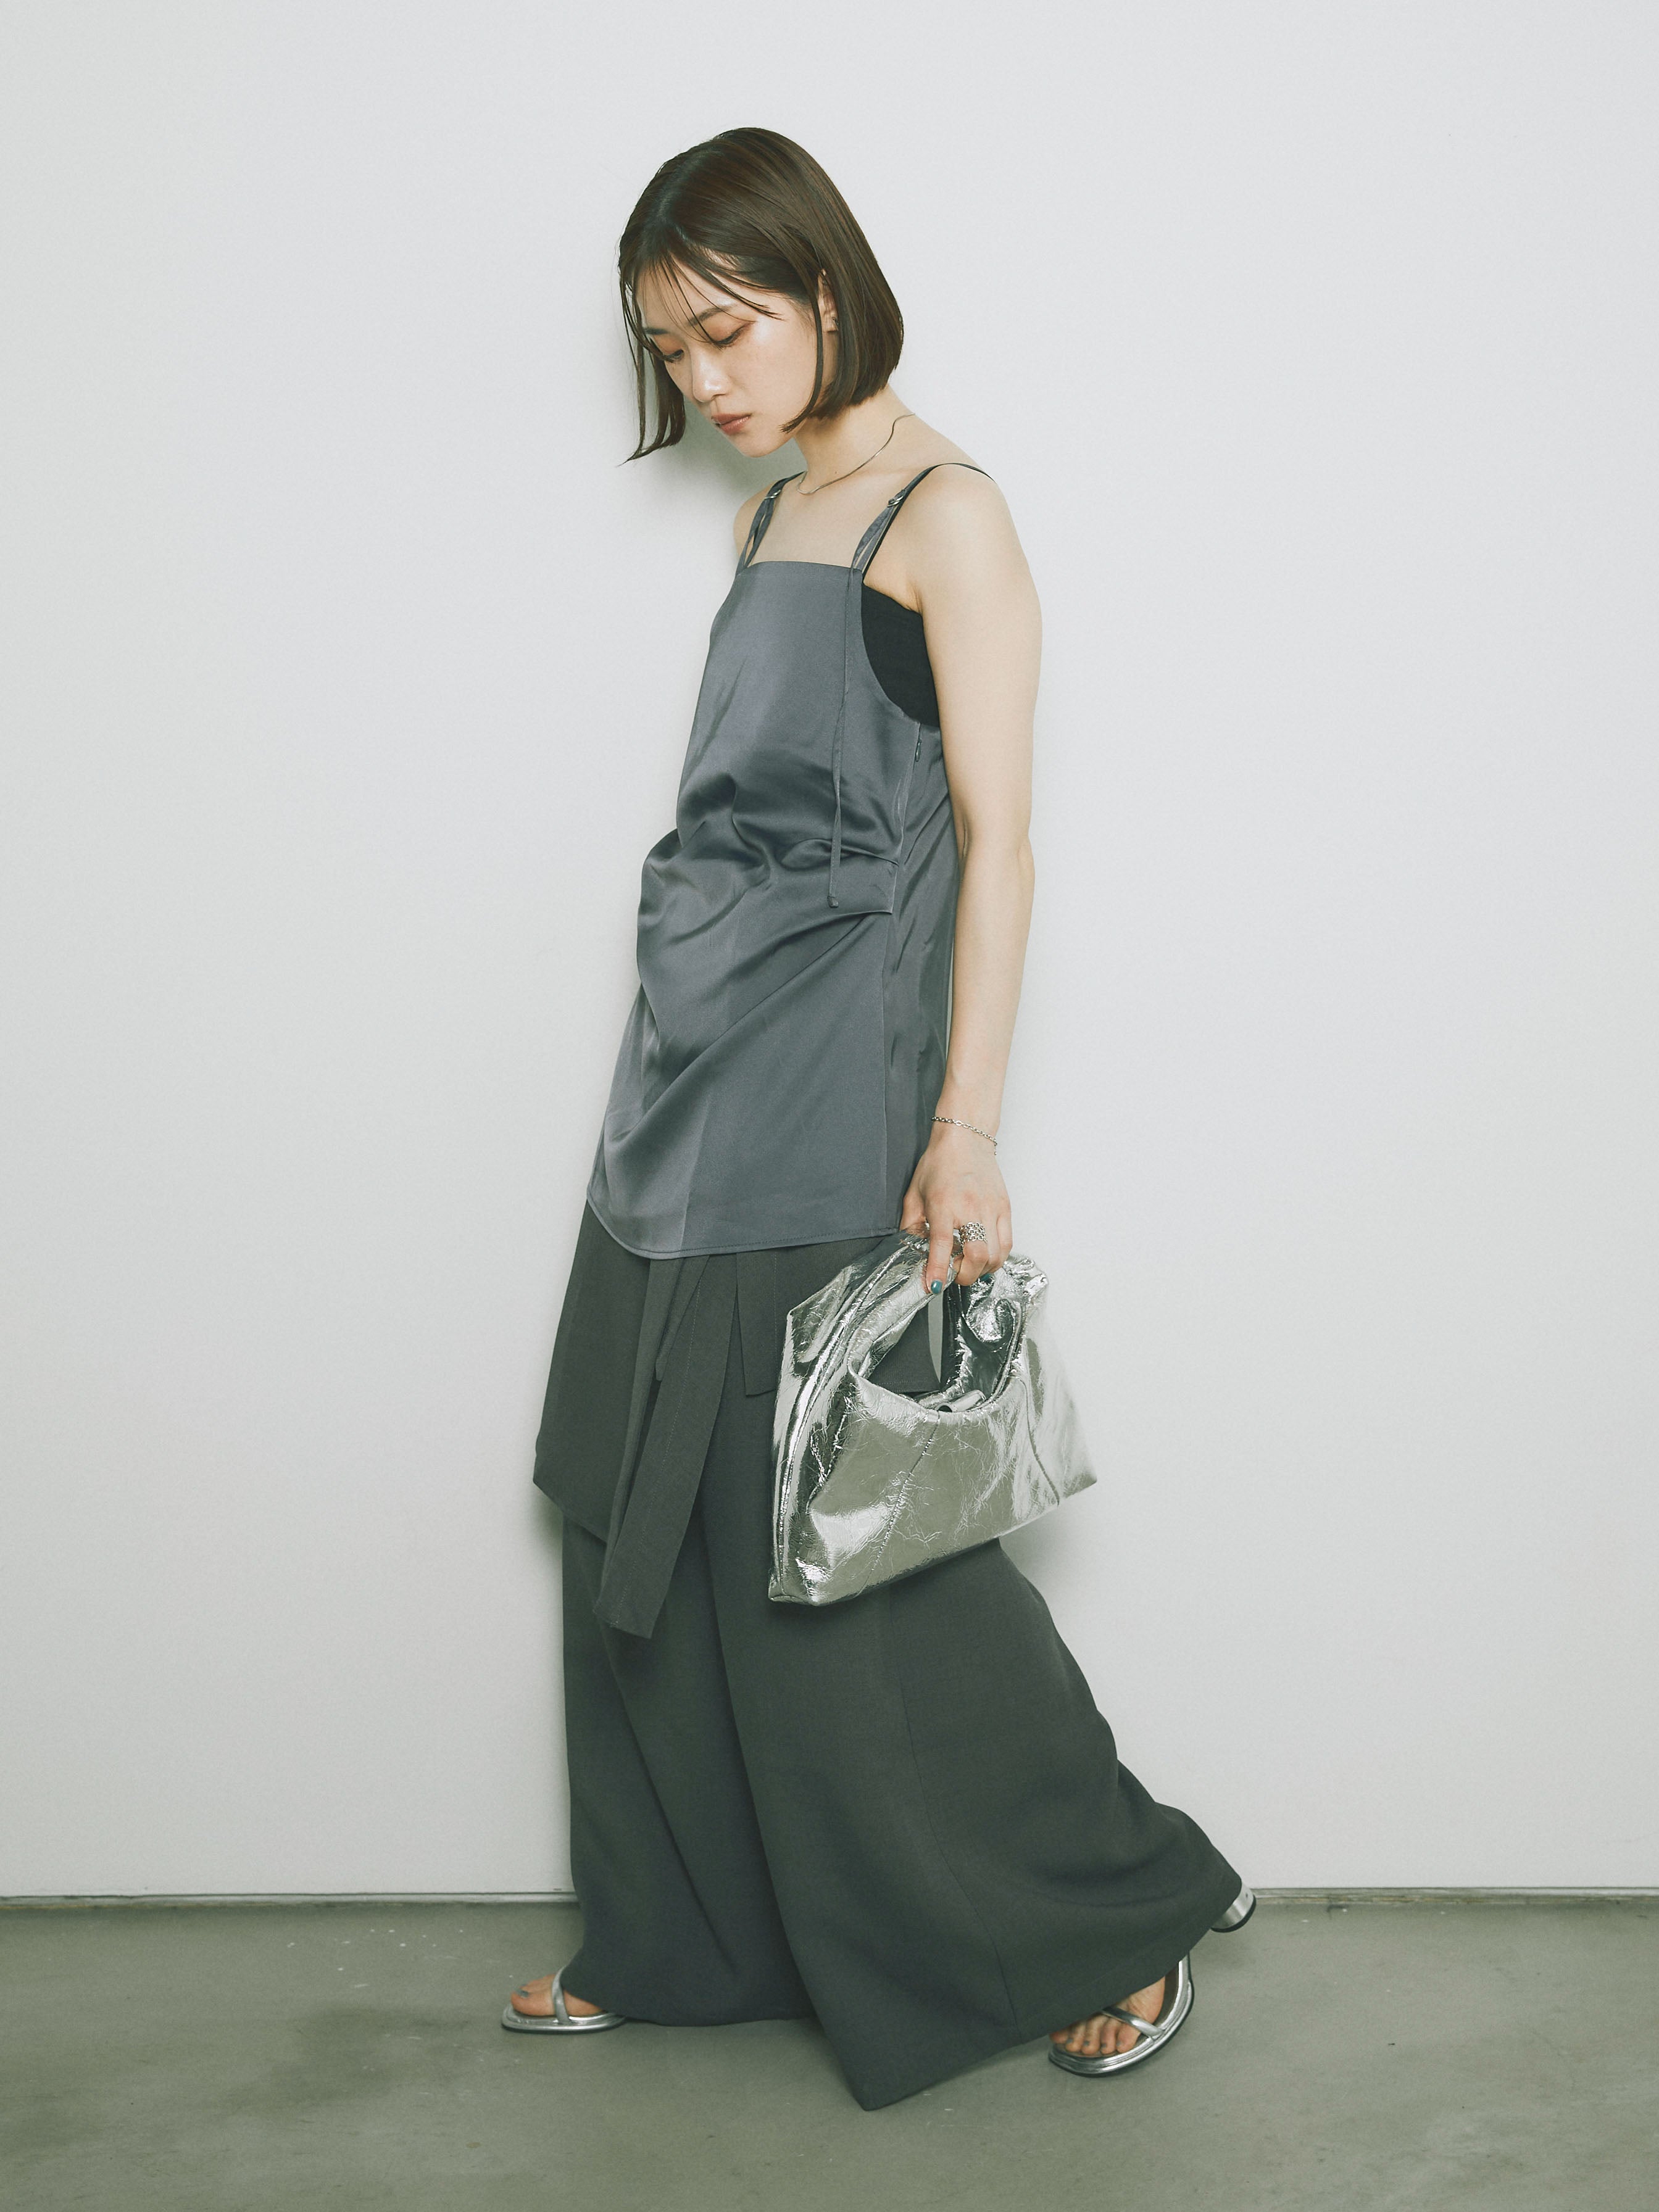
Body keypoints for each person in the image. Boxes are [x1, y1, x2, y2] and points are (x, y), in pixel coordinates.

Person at [504, 126, 1251, 2111]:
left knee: (851, 1545)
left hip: (833, 1091)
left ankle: (1115, 1904)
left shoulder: (949, 512)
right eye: (670, 349)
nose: (704, 379)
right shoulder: (774, 518)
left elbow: (999, 846)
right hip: (677, 1081)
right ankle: (694, 1934)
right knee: (637, 1509)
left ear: (824, 291)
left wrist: (966, 1128)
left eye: (727, 330)